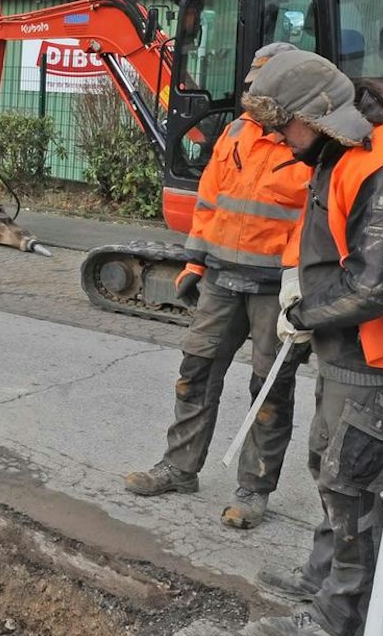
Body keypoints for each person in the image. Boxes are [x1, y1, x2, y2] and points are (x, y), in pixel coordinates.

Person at [238, 49, 383, 636]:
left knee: (352, 480)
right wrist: (301, 287)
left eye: (284, 125)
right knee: (331, 465)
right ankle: (322, 576)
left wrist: (304, 313)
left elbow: (374, 285)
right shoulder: (338, 147)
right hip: (354, 345)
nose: (281, 139)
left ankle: (343, 616)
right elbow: (327, 239)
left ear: (317, 112)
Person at [125, 43, 312, 529]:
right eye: (251, 86)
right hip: (222, 281)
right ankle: (180, 467)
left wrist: (298, 286)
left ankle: (254, 489)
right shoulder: (235, 135)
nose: (251, 94)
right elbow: (210, 202)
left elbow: (312, 221)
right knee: (196, 372)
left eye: (262, 86)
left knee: (270, 390)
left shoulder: (308, 145)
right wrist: (195, 263)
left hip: (275, 288)